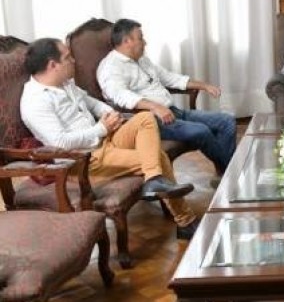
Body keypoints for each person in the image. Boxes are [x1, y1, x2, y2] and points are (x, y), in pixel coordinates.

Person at [21, 38, 200, 239]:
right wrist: (101, 128)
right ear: (52, 65)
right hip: (85, 160)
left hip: (104, 139)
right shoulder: (35, 101)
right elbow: (60, 143)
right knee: (157, 157)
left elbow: (91, 102)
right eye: (67, 57)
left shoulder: (64, 83)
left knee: (145, 118)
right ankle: (185, 222)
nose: (73, 60)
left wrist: (110, 114)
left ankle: (153, 181)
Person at [97, 18, 236, 178]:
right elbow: (121, 96)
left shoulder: (142, 60)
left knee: (227, 121)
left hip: (173, 112)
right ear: (127, 41)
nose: (145, 42)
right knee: (201, 131)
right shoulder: (111, 67)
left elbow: (169, 78)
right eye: (141, 38)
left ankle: (226, 171)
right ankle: (232, 173)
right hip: (154, 120)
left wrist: (204, 85)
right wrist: (155, 107)